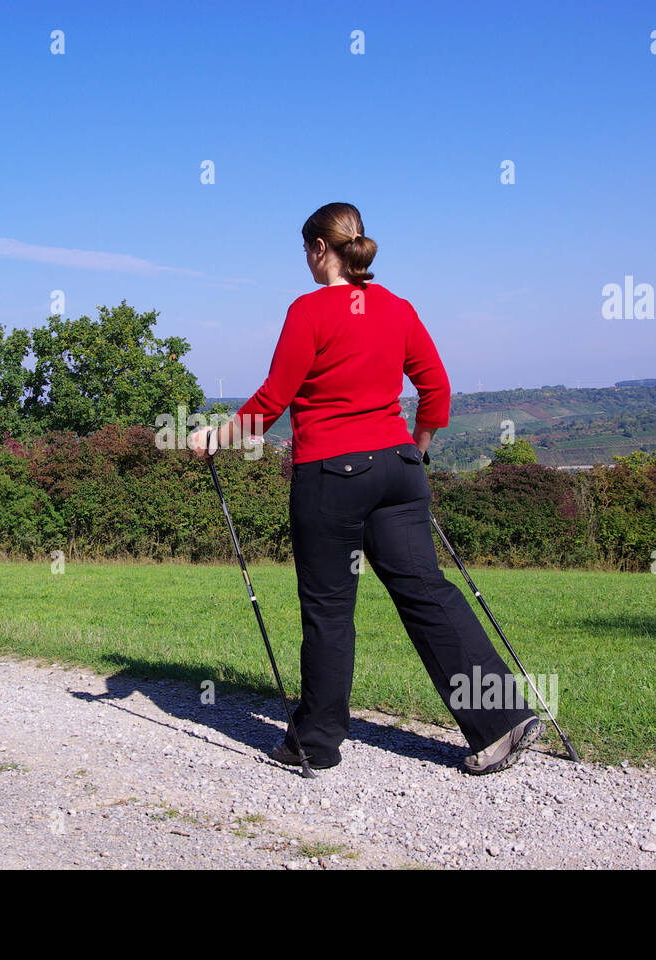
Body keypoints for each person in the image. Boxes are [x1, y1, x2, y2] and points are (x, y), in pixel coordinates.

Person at [188, 202, 541, 775]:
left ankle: (316, 744)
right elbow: (437, 388)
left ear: (318, 249)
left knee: (329, 609)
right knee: (427, 592)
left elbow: (272, 400)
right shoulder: (397, 307)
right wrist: (417, 447)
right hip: (399, 468)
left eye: (305, 251)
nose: (305, 261)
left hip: (331, 474)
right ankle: (500, 721)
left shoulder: (308, 310)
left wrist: (215, 437)